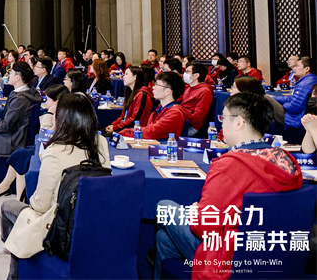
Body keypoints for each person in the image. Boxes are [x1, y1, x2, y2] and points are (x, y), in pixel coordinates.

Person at [153, 93, 303, 279]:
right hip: (275, 253)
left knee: (164, 207)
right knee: (164, 238)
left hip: (229, 259)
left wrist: (196, 212)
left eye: (223, 117)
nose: (221, 124)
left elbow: (203, 227)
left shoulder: (230, 165)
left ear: (238, 122)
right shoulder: (287, 160)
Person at [0, 92, 111, 279]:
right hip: (94, 217)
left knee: (9, 207)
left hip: (59, 226)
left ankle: (9, 252)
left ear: (62, 120)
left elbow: (40, 205)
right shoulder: (100, 142)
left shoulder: (55, 153)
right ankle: (8, 244)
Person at [0, 84, 71, 199]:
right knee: (20, 155)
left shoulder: (61, 115)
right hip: (48, 147)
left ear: (57, 102)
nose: (45, 102)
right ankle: (16, 195)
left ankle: (11, 191)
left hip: (53, 150)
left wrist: (49, 114)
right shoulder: (60, 112)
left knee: (21, 156)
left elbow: (45, 138)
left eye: (48, 100)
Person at [119, 72, 189, 140]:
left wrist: (124, 132)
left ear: (167, 91)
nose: (153, 87)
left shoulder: (175, 113)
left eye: (157, 84)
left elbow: (151, 132)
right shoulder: (160, 108)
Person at [276, 56, 316, 144]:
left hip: (295, 117)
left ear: (307, 69)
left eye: (297, 66)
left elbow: (294, 107)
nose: (294, 68)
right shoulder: (309, 80)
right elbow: (292, 97)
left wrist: (283, 104)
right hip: (297, 115)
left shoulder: (304, 84)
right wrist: (275, 98)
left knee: (266, 99)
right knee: (270, 99)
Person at [107, 64, 152, 134]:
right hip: (125, 128)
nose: (123, 77)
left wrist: (115, 127)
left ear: (135, 77)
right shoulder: (130, 92)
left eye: (126, 74)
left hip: (137, 132)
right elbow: (123, 116)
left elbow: (134, 120)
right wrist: (113, 125)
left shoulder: (142, 95)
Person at [180, 62, 213, 136]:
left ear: (196, 75)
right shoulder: (189, 88)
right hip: (183, 121)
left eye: (187, 72)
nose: (184, 74)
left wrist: (180, 115)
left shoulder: (204, 91)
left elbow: (198, 117)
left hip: (191, 126)